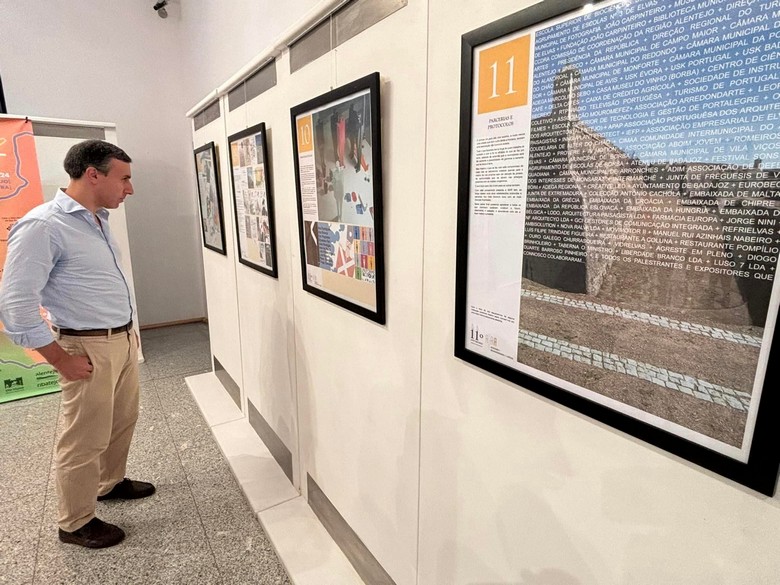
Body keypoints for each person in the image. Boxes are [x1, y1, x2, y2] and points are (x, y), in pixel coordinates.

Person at [0, 140, 154, 549]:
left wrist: (128, 331)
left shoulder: (96, 220)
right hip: (85, 348)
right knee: (84, 437)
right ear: (93, 174)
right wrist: (59, 359)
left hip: (120, 339)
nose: (129, 188)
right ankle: (75, 521)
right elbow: (15, 306)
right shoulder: (43, 225)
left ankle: (109, 482)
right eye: (124, 178)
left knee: (121, 420)